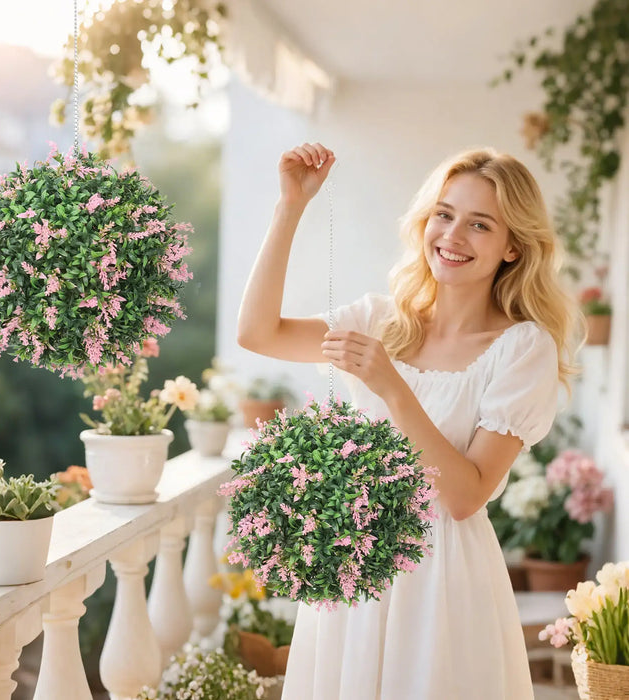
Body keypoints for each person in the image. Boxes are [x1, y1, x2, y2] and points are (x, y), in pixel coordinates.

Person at [236, 142, 583, 700]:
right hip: (353, 562)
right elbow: (258, 333)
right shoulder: (380, 319)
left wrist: (392, 388)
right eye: (444, 215)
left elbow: (465, 496)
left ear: (513, 247)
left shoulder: (523, 348)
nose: (452, 236)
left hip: (441, 582)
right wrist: (290, 206)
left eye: (479, 225)